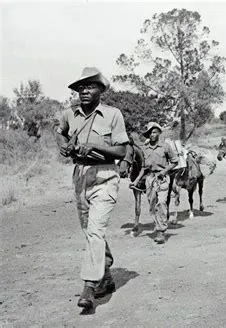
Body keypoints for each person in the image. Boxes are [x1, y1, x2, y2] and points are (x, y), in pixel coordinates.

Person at [55, 67, 129, 310]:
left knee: (95, 231)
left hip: (106, 174)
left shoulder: (112, 114)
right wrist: (64, 146)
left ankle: (89, 285)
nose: (84, 91)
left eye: (90, 86)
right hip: (81, 176)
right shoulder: (69, 114)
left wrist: (95, 145)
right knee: (90, 231)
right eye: (80, 87)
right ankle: (106, 277)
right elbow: (59, 132)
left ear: (100, 90)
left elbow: (121, 150)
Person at [129, 122, 178, 244]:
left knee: (161, 203)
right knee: (152, 206)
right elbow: (144, 168)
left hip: (162, 179)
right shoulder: (145, 149)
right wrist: (135, 181)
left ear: (159, 133)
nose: (152, 134)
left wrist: (165, 171)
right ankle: (158, 226)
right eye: (150, 133)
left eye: (155, 132)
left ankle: (161, 232)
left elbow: (175, 161)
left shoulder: (165, 147)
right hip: (149, 179)